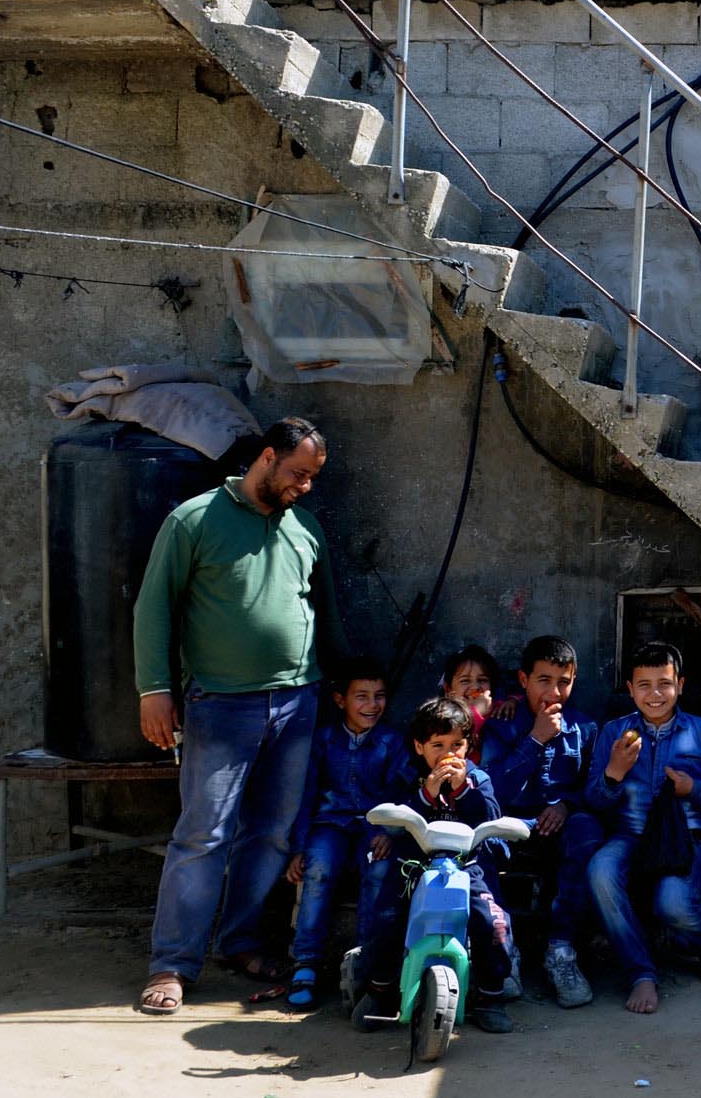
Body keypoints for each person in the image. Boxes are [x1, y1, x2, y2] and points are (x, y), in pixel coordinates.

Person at [133, 416, 346, 1016]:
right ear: (267, 458)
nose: (305, 487)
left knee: (273, 834)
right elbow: (154, 610)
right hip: (221, 703)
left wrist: (343, 687)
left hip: (299, 703)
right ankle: (172, 963)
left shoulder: (304, 529)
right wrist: (155, 690)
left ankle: (242, 943)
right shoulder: (194, 520)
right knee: (203, 835)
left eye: (312, 479)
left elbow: (326, 612)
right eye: (298, 474)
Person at [585, 640, 701, 1015]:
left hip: (686, 838)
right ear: (630, 688)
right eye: (644, 685)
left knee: (671, 902)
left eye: (664, 684)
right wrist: (614, 774)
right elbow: (592, 799)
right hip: (630, 835)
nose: (655, 694)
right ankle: (641, 972)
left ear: (681, 685)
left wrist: (695, 788)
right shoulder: (613, 732)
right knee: (599, 870)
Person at [283, 658, 414, 1012]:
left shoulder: (392, 742)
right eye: (362, 697)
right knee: (318, 868)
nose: (372, 705)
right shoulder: (324, 739)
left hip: (374, 828)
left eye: (379, 696)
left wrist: (390, 831)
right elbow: (307, 793)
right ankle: (305, 963)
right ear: (340, 700)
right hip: (331, 825)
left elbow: (402, 793)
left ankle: (363, 963)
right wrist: (297, 848)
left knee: (377, 873)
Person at [481, 635, 601, 1008]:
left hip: (554, 831)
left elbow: (591, 788)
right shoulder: (502, 726)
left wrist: (566, 804)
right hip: (507, 827)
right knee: (478, 842)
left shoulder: (584, 728)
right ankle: (504, 953)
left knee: (587, 831)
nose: (554, 691)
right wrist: (535, 739)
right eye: (543, 680)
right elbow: (493, 791)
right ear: (523, 680)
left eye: (563, 682)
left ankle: (560, 952)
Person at [393, 695, 522, 1034]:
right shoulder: (411, 777)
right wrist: (428, 793)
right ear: (420, 747)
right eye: (438, 744)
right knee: (387, 914)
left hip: (469, 865)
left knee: (493, 923)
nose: (448, 753)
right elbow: (398, 820)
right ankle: (378, 987)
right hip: (418, 865)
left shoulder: (477, 779)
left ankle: (491, 996)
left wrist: (461, 788)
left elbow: (491, 817)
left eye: (457, 744)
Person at [441, 643, 500, 734]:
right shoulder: (442, 717)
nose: (476, 687)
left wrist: (513, 700)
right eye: (465, 681)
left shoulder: (498, 709)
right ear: (448, 689)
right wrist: (476, 712)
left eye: (482, 680)